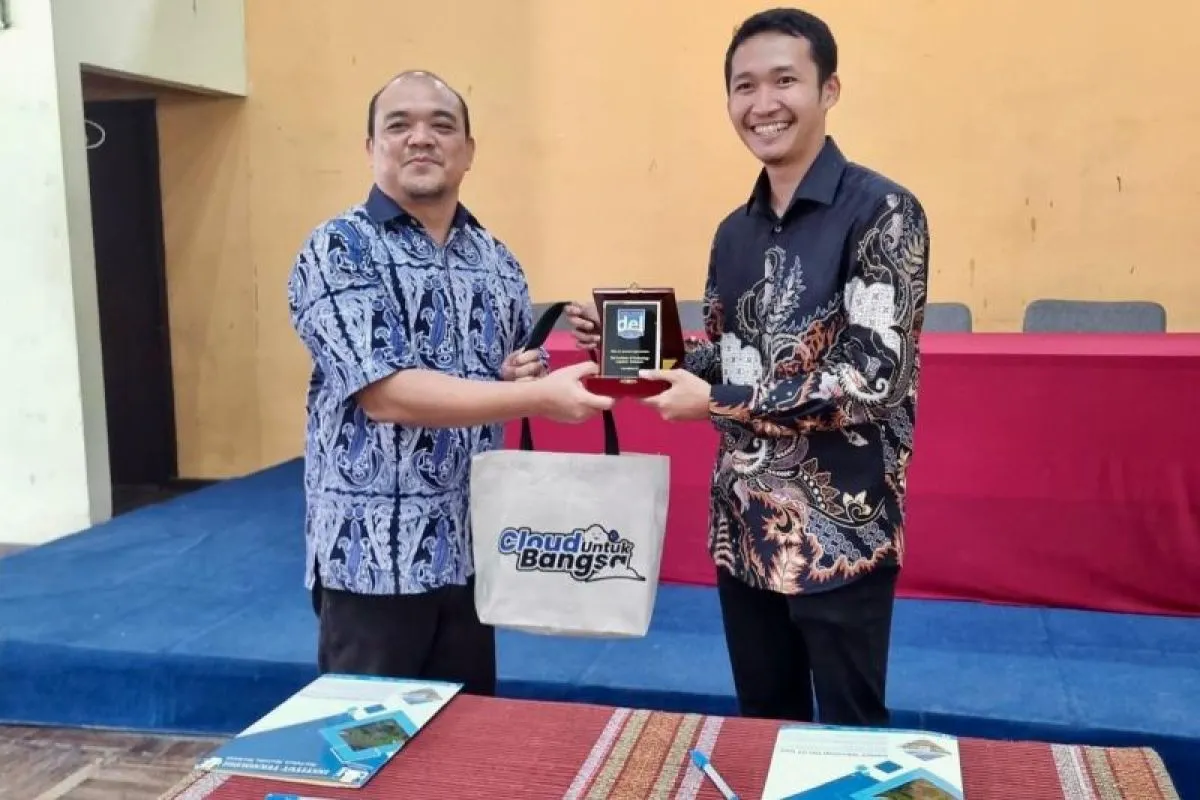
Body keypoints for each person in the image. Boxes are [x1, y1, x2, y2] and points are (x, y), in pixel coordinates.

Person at [567, 8, 930, 727]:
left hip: (842, 536)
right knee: (762, 725)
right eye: (744, 86)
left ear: (829, 89)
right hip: (744, 529)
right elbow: (727, 357)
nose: (763, 103)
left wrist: (715, 402)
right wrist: (628, 352)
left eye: (784, 81)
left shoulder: (884, 212)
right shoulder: (733, 233)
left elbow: (871, 381)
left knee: (852, 736)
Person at [288, 70, 613, 696]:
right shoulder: (337, 249)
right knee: (371, 741)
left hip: (469, 552)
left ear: (468, 151)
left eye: (441, 126)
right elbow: (385, 394)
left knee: (466, 738)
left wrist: (546, 364)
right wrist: (533, 395)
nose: (421, 138)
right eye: (399, 125)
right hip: (371, 561)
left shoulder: (498, 262)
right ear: (371, 147)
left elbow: (505, 376)